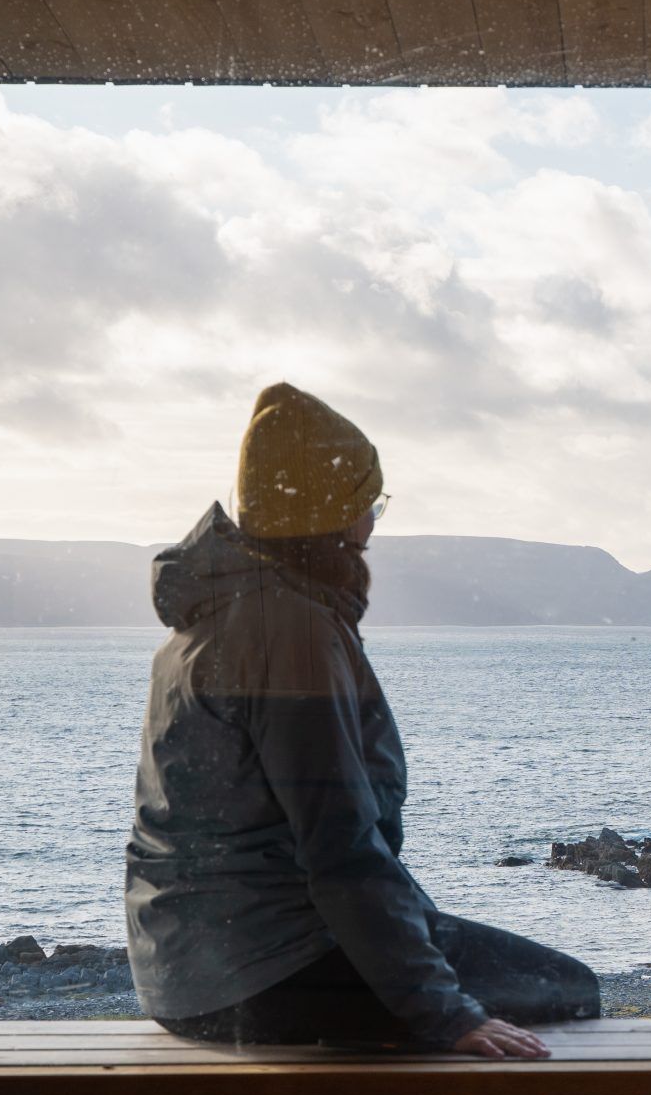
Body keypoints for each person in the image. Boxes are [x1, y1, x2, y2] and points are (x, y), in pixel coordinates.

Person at [127, 382, 600, 1057]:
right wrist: (446, 1012)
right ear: (330, 516)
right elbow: (340, 845)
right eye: (369, 504)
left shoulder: (210, 617)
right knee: (568, 988)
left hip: (181, 970)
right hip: (262, 972)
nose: (372, 524)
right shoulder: (289, 631)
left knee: (485, 961)